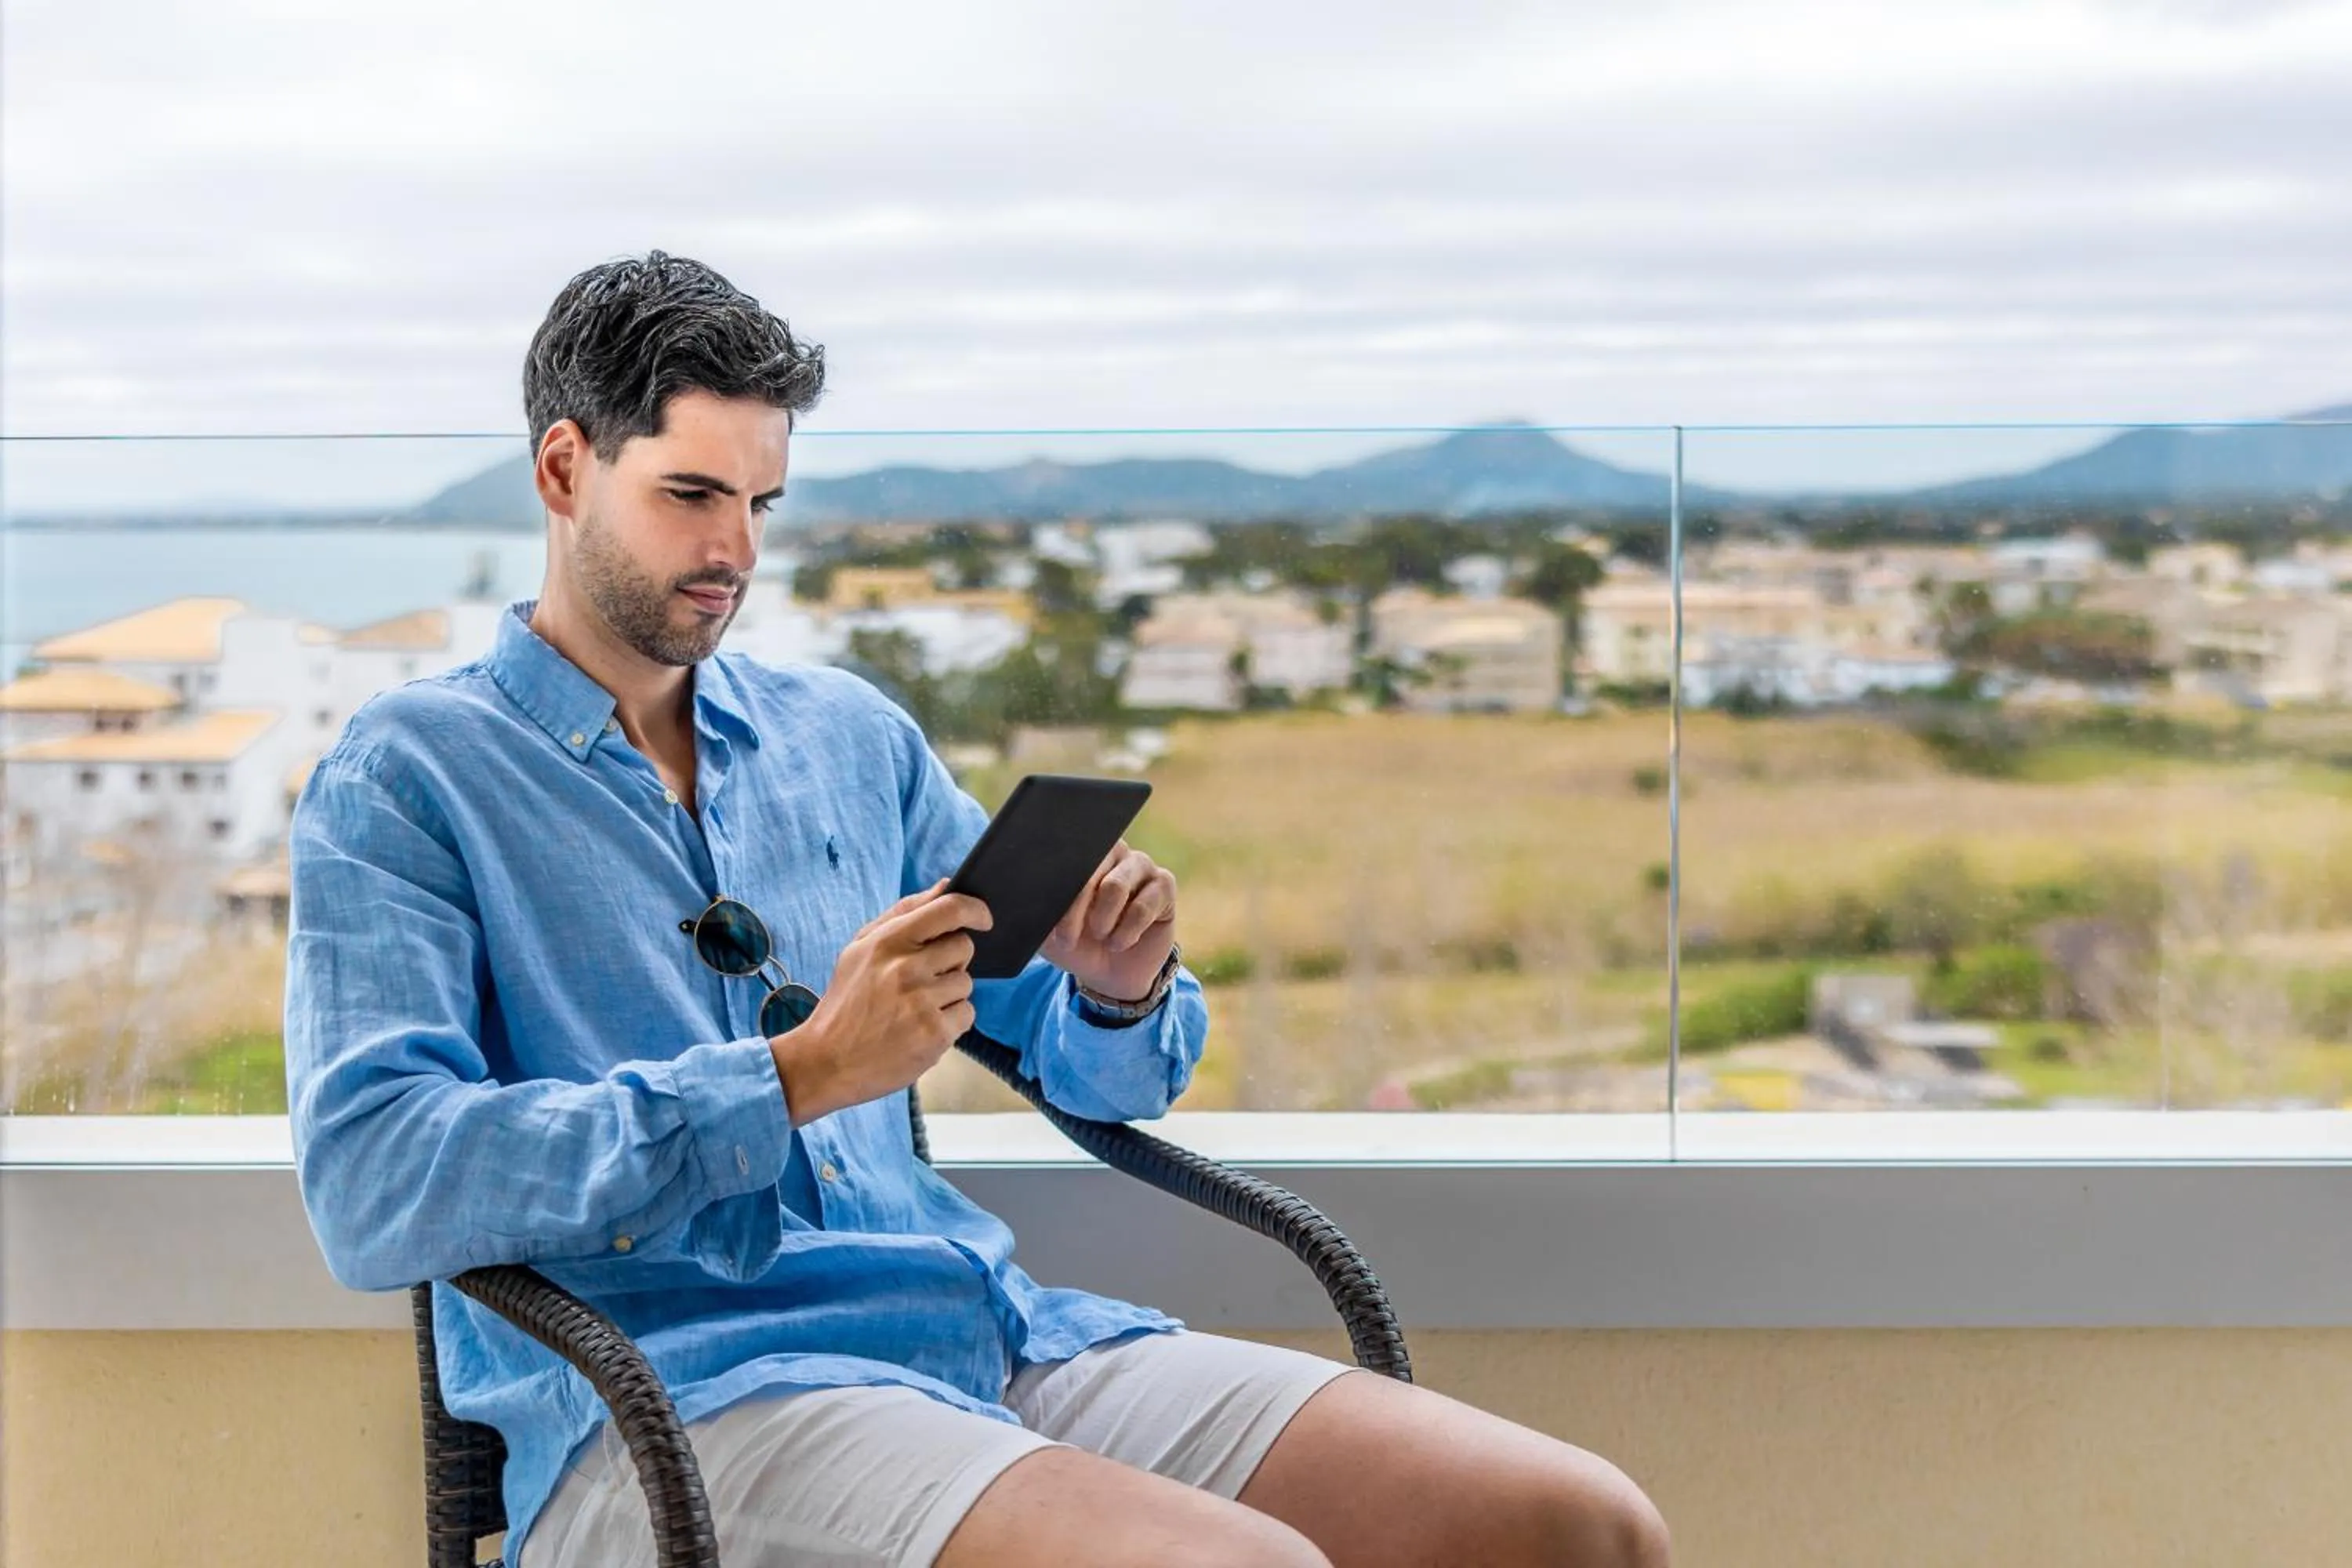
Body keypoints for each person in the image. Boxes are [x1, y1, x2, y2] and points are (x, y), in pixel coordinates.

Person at [283, 250, 1670, 1568]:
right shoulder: (410, 779)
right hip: (679, 1402)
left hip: (987, 1339)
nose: (734, 553)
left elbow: (1095, 1067)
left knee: (1569, 1524)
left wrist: (1117, 986)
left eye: (762, 506)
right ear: (563, 466)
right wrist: (796, 1074)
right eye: (691, 495)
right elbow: (374, 1184)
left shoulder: (847, 736)